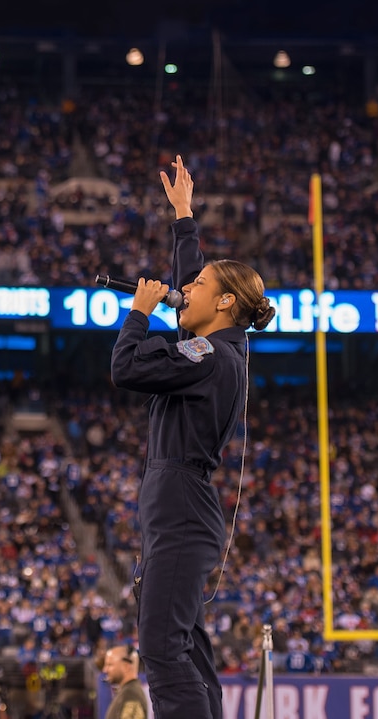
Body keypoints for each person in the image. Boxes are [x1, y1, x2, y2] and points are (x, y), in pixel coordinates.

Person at [110, 155, 275, 719]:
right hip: (177, 506)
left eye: (198, 286)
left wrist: (139, 314)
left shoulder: (208, 353)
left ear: (225, 302)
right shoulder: (219, 344)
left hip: (180, 507)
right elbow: (197, 295)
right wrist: (184, 218)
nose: (184, 290)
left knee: (161, 647)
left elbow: (127, 368)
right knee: (186, 650)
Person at [102, 646, 147, 719]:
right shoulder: (126, 693)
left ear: (126, 666)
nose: (105, 670)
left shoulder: (131, 695)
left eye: (110, 664)